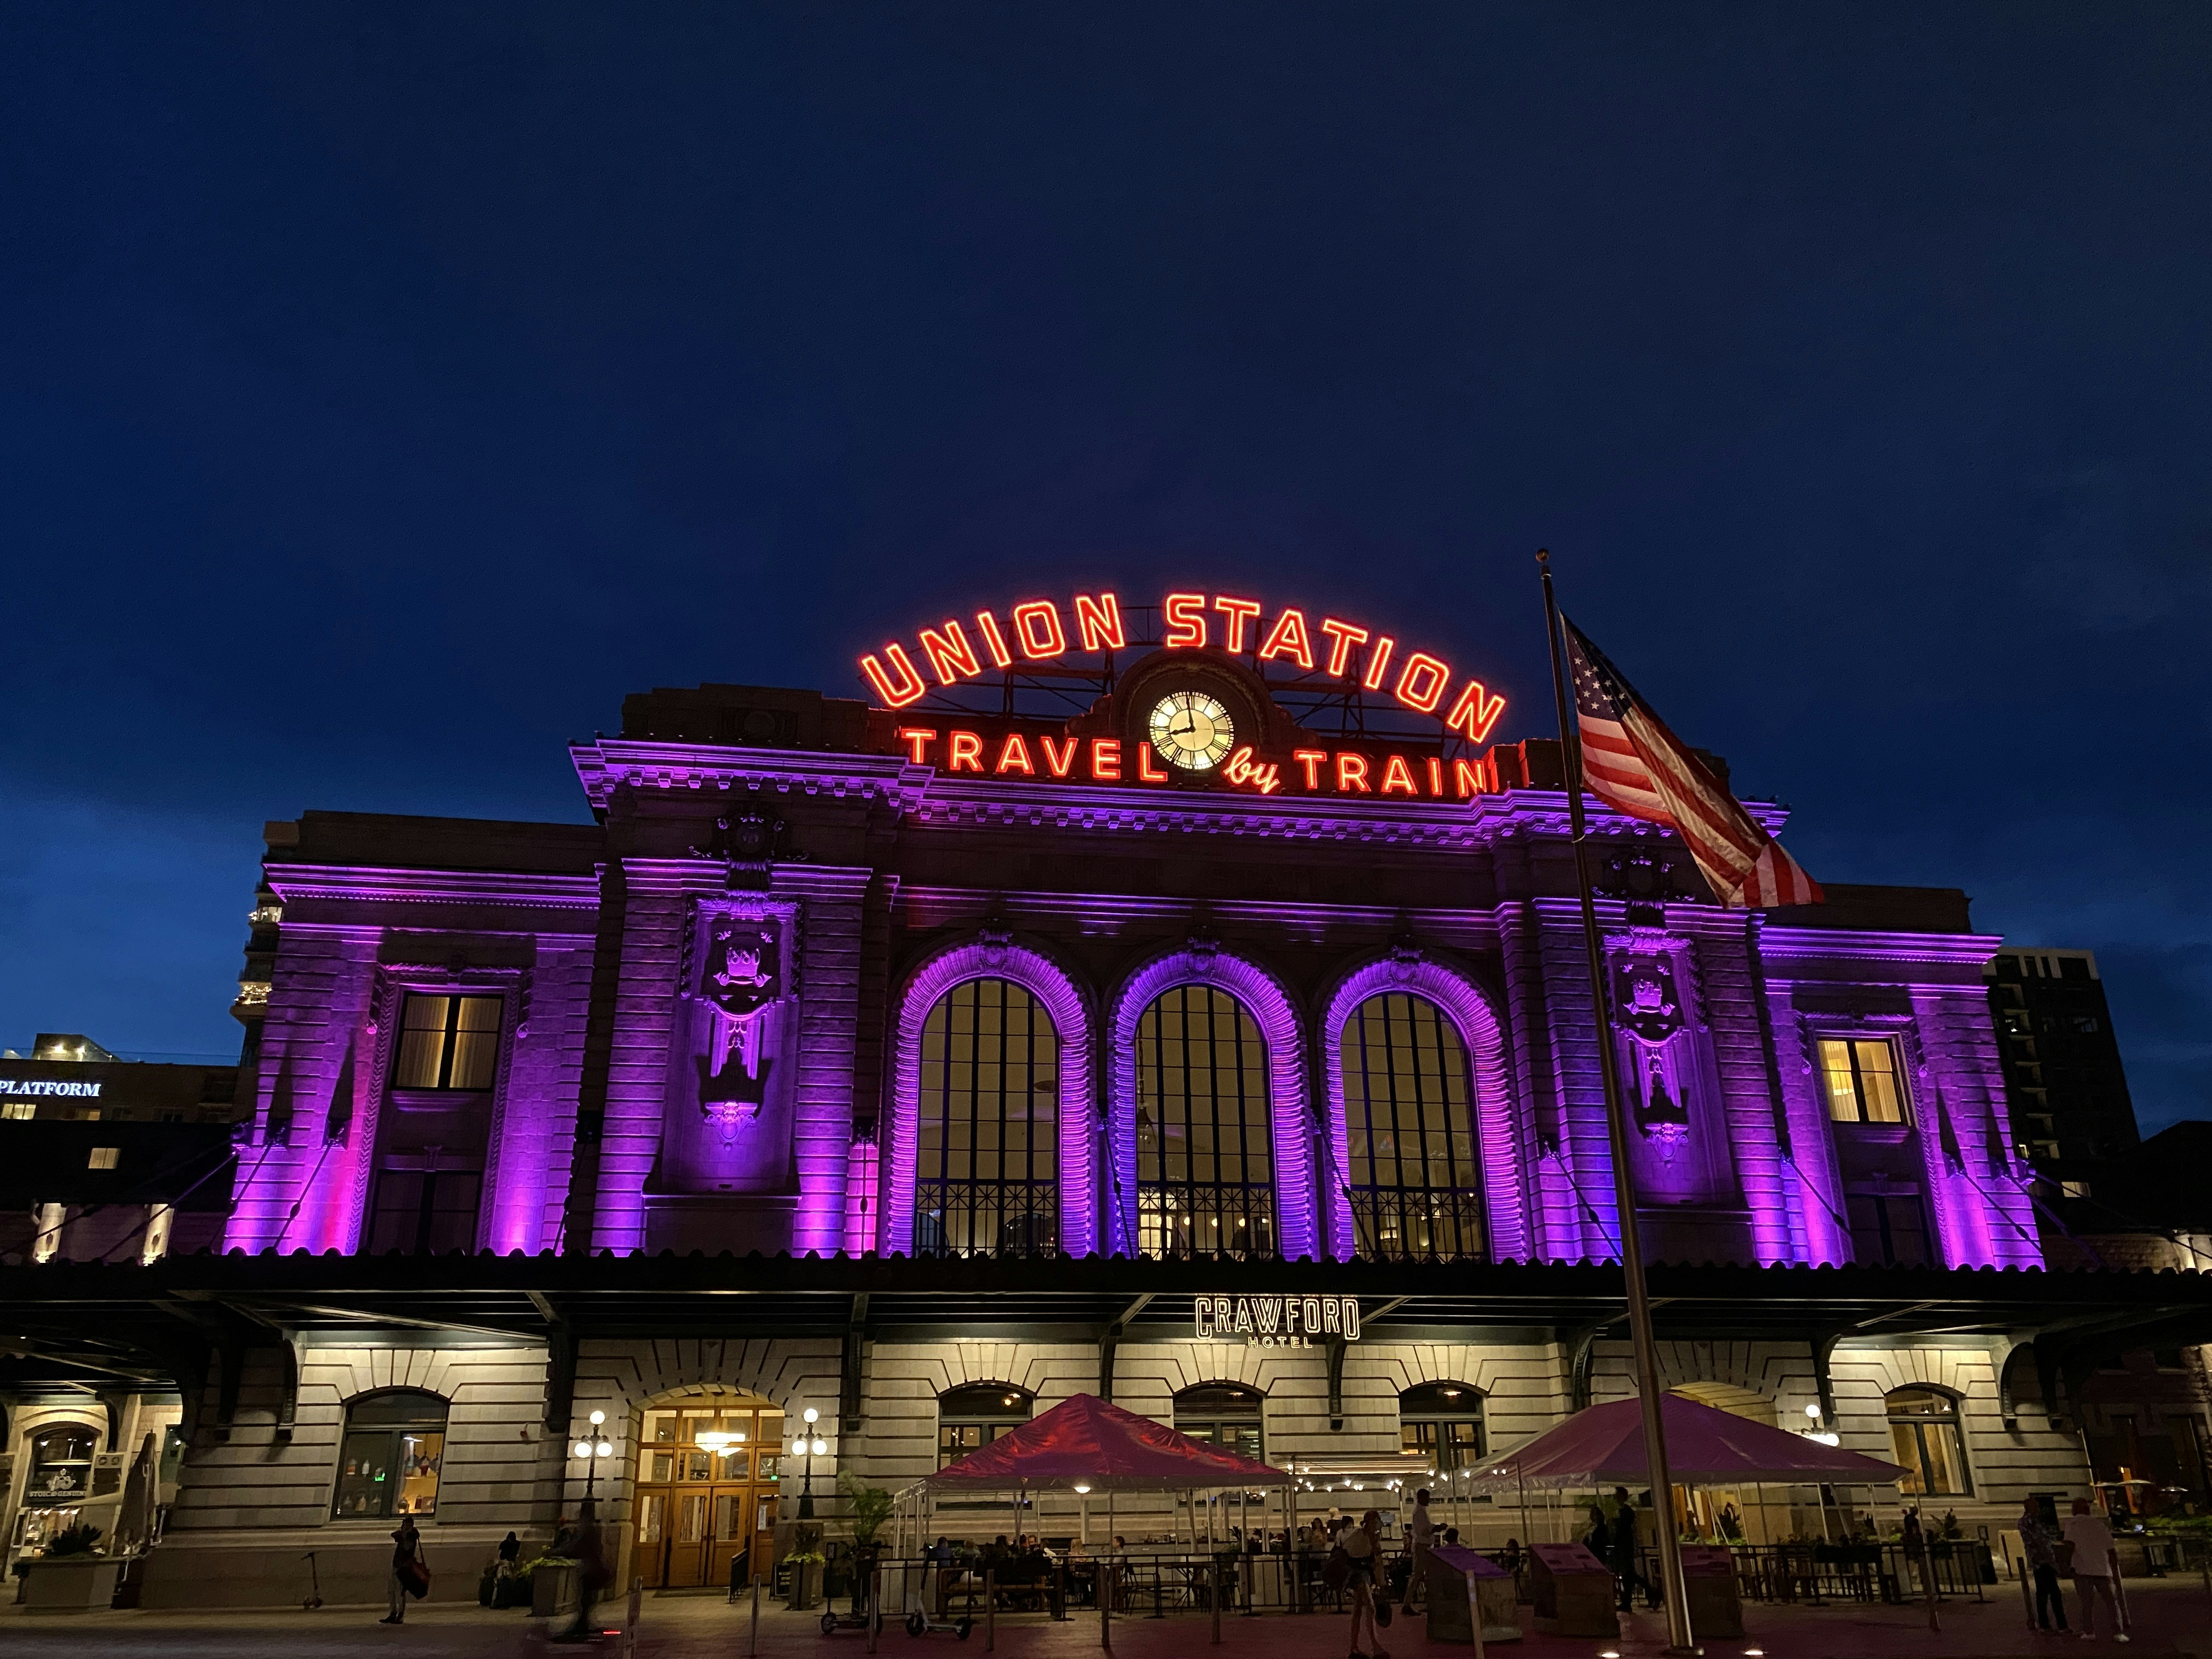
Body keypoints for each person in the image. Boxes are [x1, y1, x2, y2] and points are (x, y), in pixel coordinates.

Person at [2062, 1498, 2126, 1643]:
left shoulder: (2073, 1524)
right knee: (2111, 1602)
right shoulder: (2099, 1524)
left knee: (2086, 1603)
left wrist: (2065, 1565)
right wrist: (2114, 1567)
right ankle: (2118, 1631)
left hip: (2082, 1568)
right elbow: (2111, 1548)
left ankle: (2089, 1631)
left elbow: (2069, 1546)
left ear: (2075, 1510)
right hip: (2102, 1568)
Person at [2017, 1497, 2067, 1634]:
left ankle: (2054, 1624)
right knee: (2048, 1593)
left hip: (2044, 1560)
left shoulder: (2038, 1521)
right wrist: (2047, 1558)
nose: (2038, 1508)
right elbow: (2035, 1541)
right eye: (2035, 1506)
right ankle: (2051, 1624)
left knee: (2049, 1593)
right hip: (2041, 1561)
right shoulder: (2029, 1522)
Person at [1342, 1508, 1387, 1659]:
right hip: (1358, 1573)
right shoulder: (1361, 1535)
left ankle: (1354, 1647)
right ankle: (1374, 1645)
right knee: (1369, 1605)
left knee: (1358, 1610)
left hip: (1363, 1574)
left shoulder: (1371, 1537)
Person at [1609, 1488, 1660, 1612]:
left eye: (1617, 1495)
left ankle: (1649, 1594)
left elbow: (1625, 1529)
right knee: (1629, 1575)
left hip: (1626, 1548)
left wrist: (1616, 1525)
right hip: (1625, 1547)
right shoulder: (1624, 1511)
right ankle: (1629, 1601)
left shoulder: (1626, 1512)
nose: (1615, 1497)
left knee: (1629, 1575)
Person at [381, 1514, 424, 1624]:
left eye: (405, 1524)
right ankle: (393, 1613)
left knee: (400, 1591)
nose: (403, 1526)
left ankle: (400, 1614)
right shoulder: (404, 1534)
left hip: (404, 1567)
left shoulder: (412, 1535)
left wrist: (404, 1534)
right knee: (392, 1590)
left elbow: (407, 1547)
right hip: (397, 1565)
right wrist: (401, 1533)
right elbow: (394, 1535)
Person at [1400, 1487, 1433, 1617]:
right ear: (1421, 1498)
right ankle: (1407, 1603)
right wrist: (1434, 1529)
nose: (1429, 1500)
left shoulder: (1420, 1512)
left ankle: (1410, 1603)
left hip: (1423, 1545)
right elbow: (1423, 1531)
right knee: (1417, 1575)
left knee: (1419, 1575)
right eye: (1427, 1497)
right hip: (1422, 1546)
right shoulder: (1420, 1513)